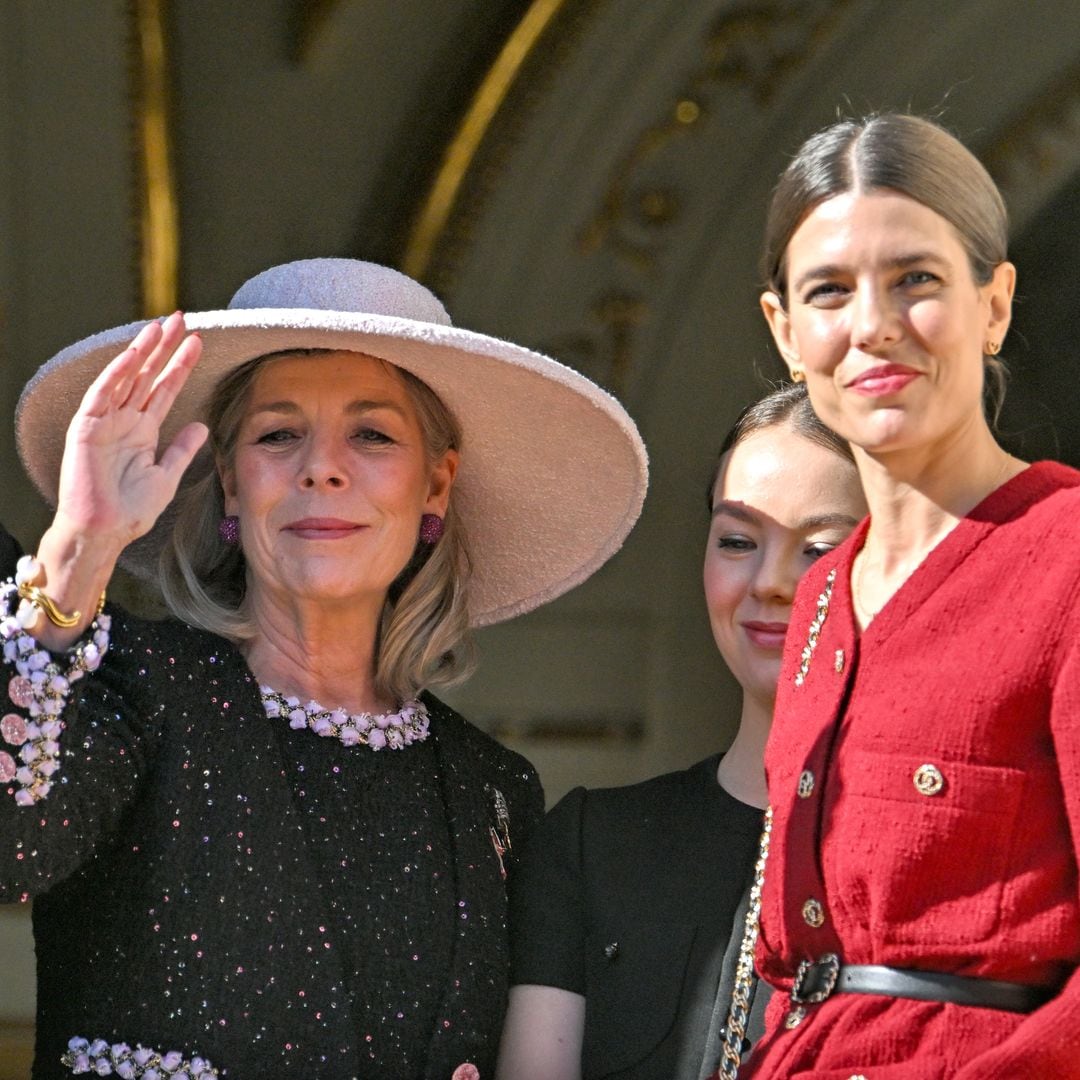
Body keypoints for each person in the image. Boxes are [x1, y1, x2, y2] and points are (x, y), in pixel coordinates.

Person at [0, 258, 648, 1080]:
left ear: (435, 486)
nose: (321, 469)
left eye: (372, 435)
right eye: (278, 435)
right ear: (231, 482)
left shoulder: (494, 791)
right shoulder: (128, 683)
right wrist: (78, 550)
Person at [733, 113, 1080, 1078]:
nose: (874, 325)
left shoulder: (1068, 555)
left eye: (916, 280)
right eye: (830, 292)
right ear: (786, 331)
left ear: (996, 304)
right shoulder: (820, 599)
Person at [496, 383, 867, 1080]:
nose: (770, 583)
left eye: (819, 549)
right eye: (737, 541)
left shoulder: (965, 848)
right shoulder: (590, 844)